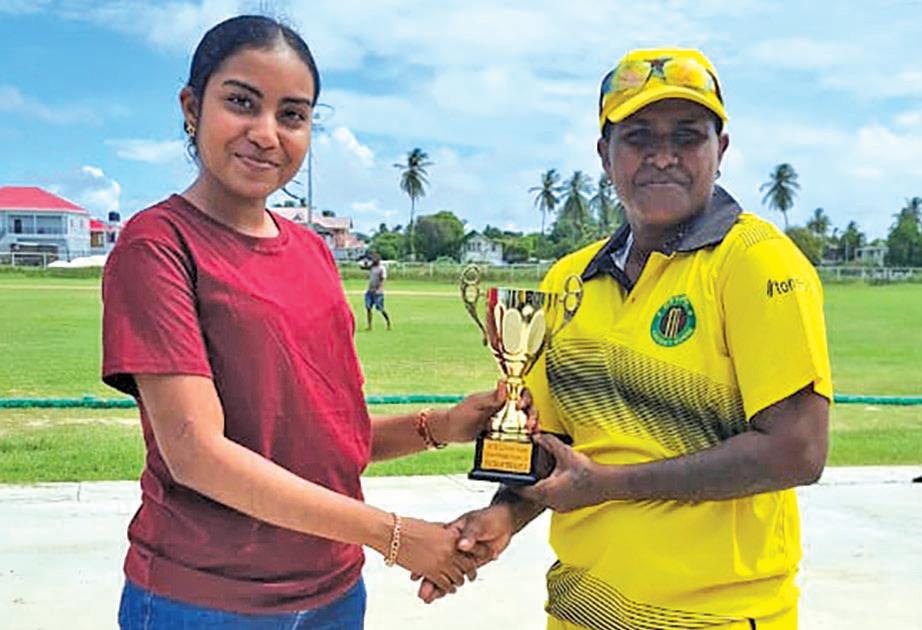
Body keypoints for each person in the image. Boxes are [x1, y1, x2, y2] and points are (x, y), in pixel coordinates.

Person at [102, 15, 497, 629]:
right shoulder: (159, 244)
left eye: (291, 114)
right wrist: (393, 535)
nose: (266, 134)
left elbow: (323, 441)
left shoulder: (312, 252)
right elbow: (197, 454)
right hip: (208, 600)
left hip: (333, 592)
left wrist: (441, 426)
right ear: (191, 108)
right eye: (241, 102)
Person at [419, 48, 832, 630]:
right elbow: (556, 443)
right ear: (604, 155)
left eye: (687, 136)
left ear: (720, 150)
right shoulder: (569, 280)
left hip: (719, 616)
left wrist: (610, 486)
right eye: (639, 137)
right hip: (582, 609)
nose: (664, 156)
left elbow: (798, 450)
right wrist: (504, 514)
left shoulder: (755, 261)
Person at [364, 252, 391, 330]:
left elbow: (383, 280)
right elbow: (364, 267)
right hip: (370, 291)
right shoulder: (372, 267)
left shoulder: (381, 268)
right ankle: (369, 325)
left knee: (380, 308)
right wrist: (365, 261)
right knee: (368, 307)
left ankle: (388, 322)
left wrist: (379, 289)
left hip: (378, 293)